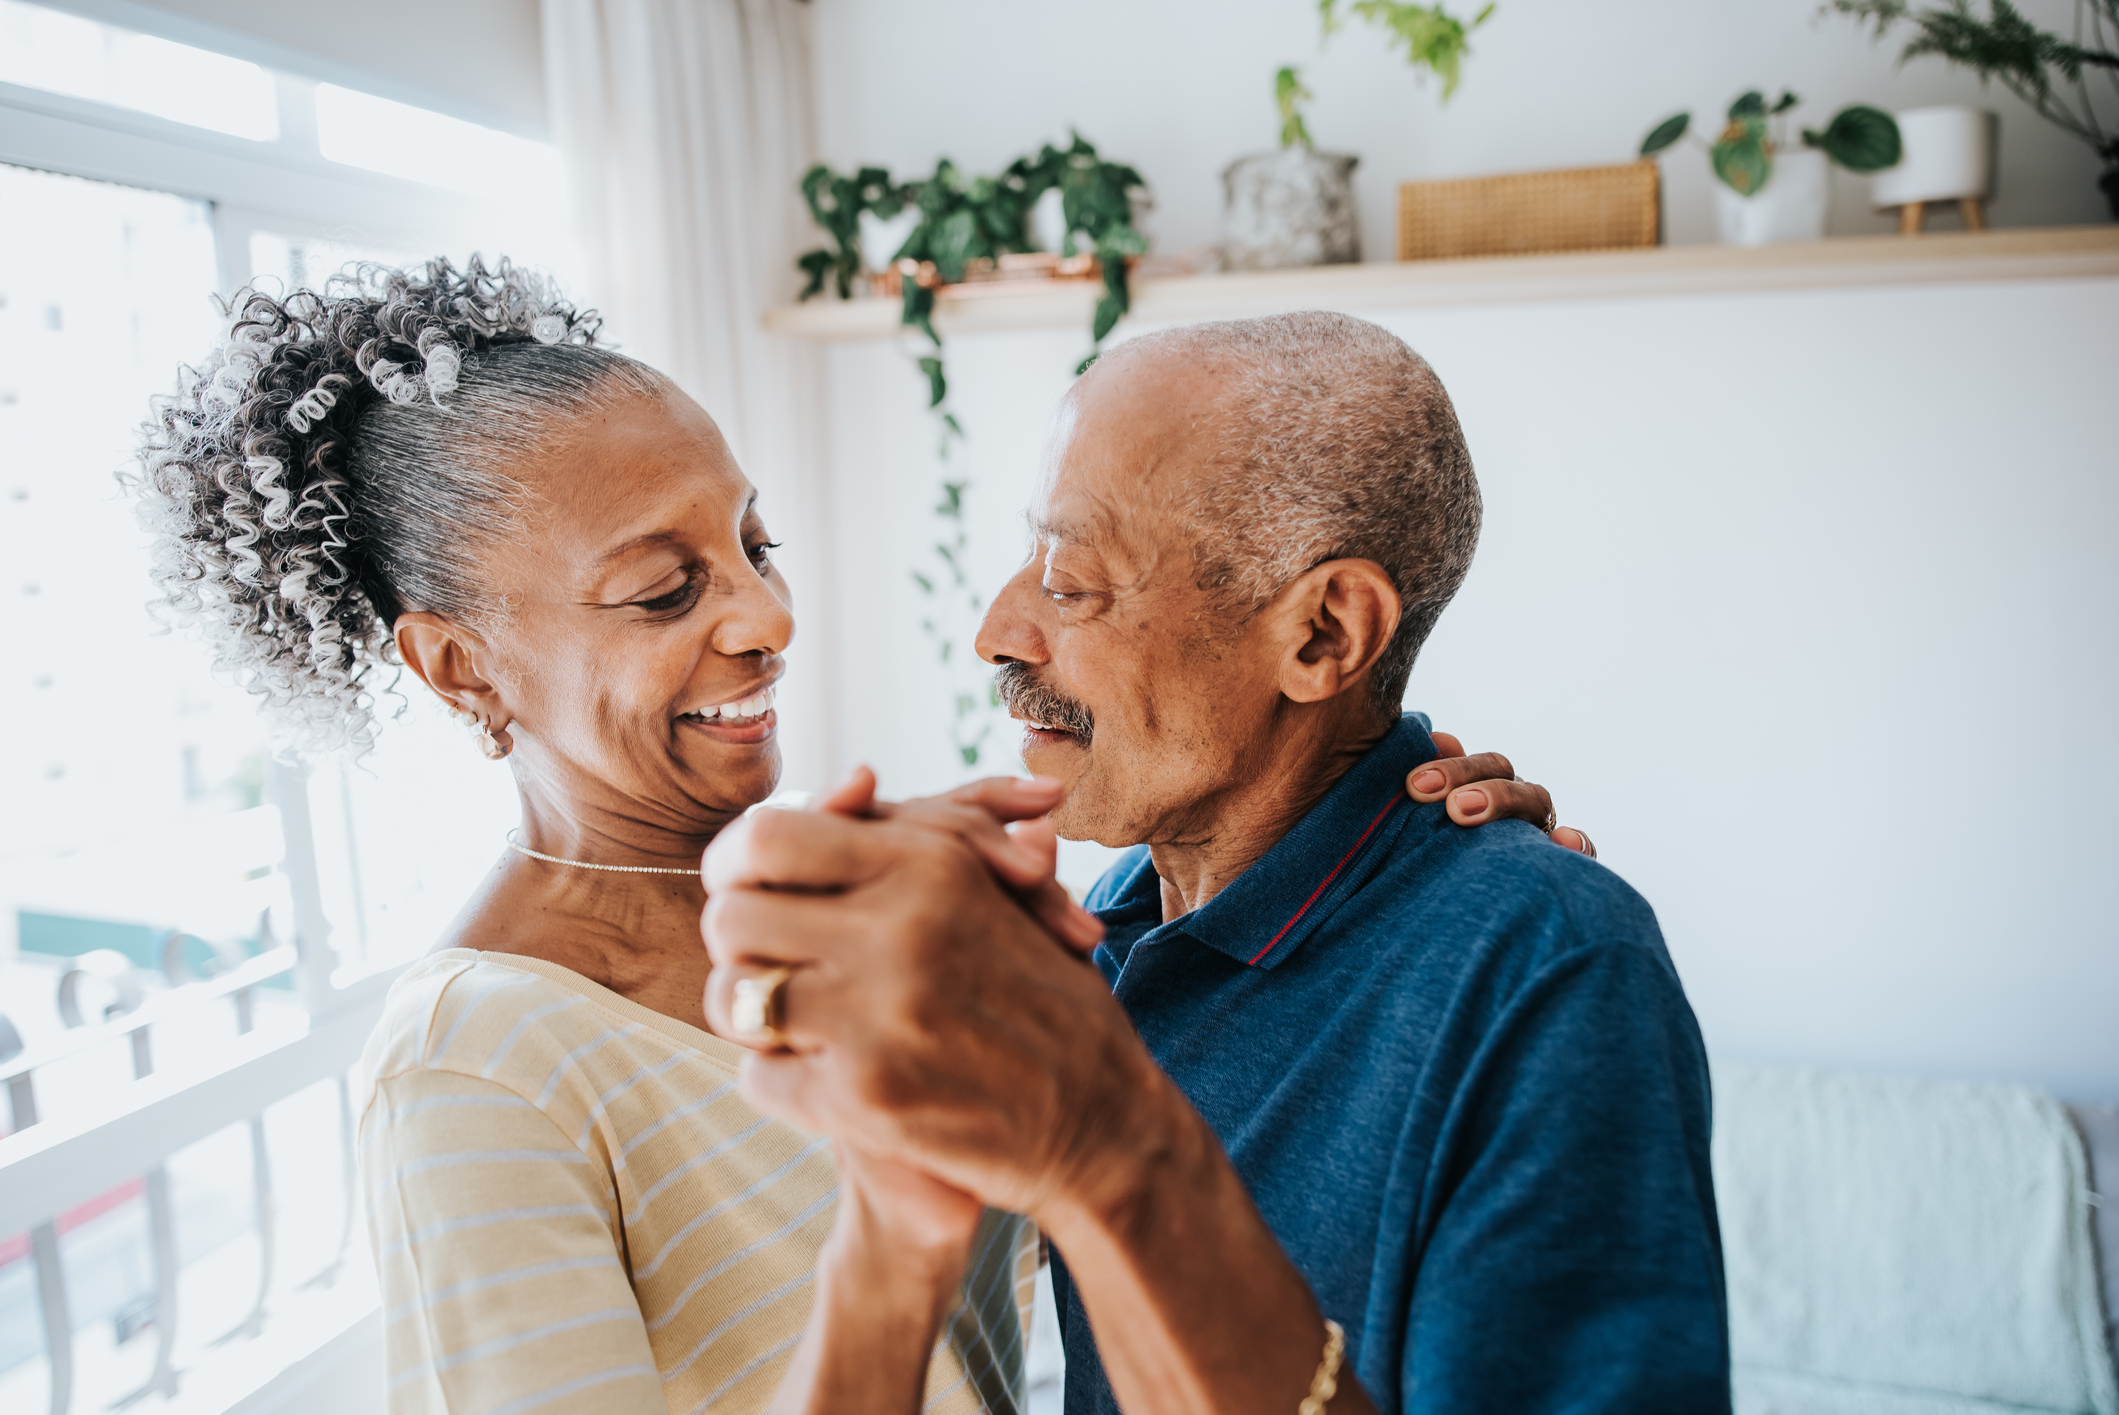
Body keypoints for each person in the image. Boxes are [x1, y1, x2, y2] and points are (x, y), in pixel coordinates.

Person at [128, 263, 1579, 1415]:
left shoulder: (880, 903)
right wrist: (891, 1250)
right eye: (660, 589)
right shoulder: (476, 1065)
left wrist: (1427, 876)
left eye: (753, 544)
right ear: (459, 666)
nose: (762, 616)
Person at [699, 313, 1730, 1414]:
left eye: (1070, 577)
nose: (996, 630)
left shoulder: (1550, 967)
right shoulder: (1113, 928)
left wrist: (1121, 1155)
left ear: (1324, 634)